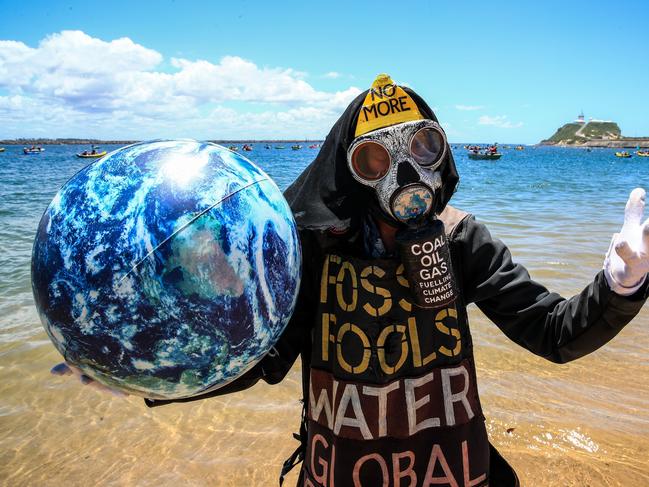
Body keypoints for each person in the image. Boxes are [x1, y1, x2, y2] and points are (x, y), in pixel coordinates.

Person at [54, 74, 649, 486]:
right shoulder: (313, 247)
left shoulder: (460, 239)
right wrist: (157, 378)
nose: (406, 170)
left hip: (453, 470)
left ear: (441, 152)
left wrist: (619, 286)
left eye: (423, 145)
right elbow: (260, 358)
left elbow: (551, 332)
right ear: (350, 167)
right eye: (376, 159)